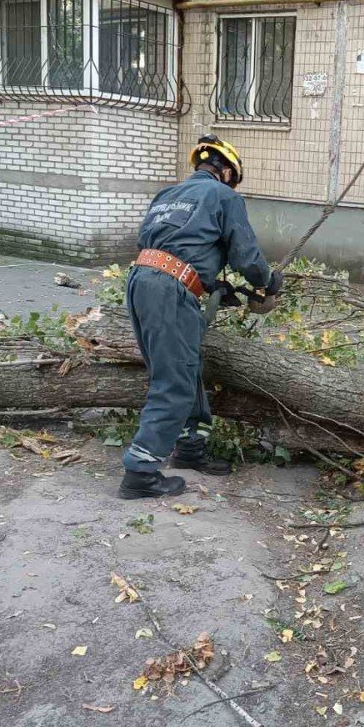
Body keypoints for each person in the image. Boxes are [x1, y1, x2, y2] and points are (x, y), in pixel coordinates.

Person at [118, 135, 283, 500]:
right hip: (169, 289)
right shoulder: (225, 196)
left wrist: (207, 282)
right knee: (174, 381)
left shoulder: (166, 196)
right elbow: (246, 255)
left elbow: (171, 245)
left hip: (142, 281)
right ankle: (140, 474)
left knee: (184, 369)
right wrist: (269, 282)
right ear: (226, 172)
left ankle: (190, 449)